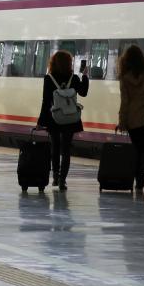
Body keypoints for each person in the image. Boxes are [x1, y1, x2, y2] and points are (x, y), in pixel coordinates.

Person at [37, 50, 89, 190]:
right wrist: (85, 76)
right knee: (66, 149)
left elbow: (46, 101)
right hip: (70, 118)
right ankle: (62, 180)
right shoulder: (74, 78)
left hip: (54, 118)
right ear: (68, 64)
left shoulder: (49, 79)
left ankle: (55, 177)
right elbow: (84, 92)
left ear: (53, 63)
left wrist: (41, 121)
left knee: (55, 147)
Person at [116, 44, 144, 190]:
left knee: (136, 149)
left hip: (133, 120)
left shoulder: (124, 77)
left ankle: (138, 176)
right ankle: (141, 174)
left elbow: (125, 102)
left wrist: (122, 121)